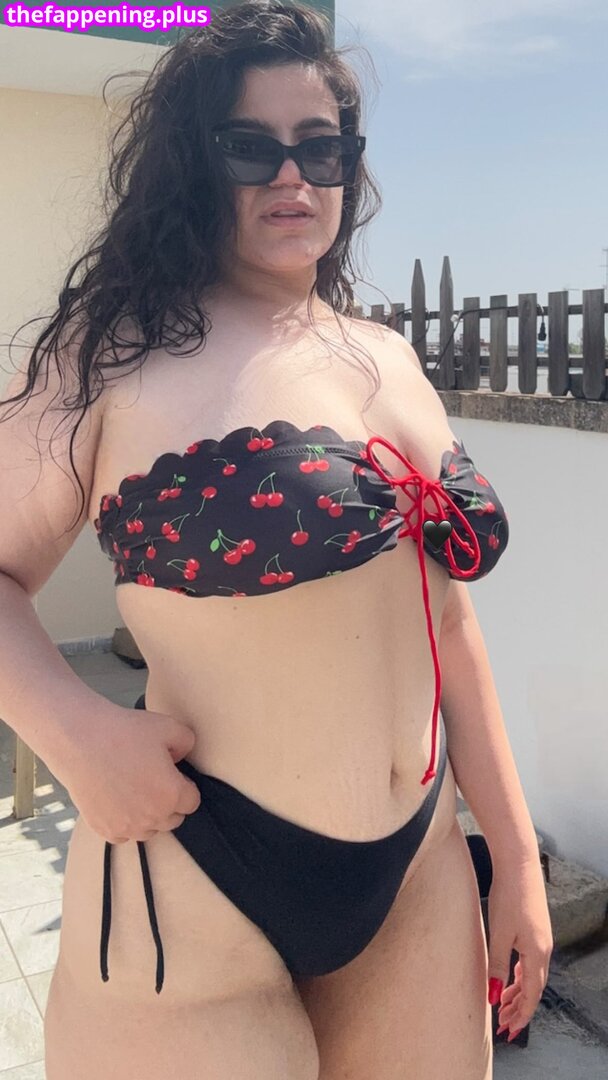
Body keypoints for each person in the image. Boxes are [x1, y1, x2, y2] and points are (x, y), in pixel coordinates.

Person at [0, 2, 553, 1078]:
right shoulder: (109, 357)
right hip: (196, 878)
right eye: (249, 147)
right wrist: (76, 735)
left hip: (420, 869)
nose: (291, 177)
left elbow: (448, 623)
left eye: (320, 148)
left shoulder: (387, 357)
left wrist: (518, 862)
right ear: (193, 165)